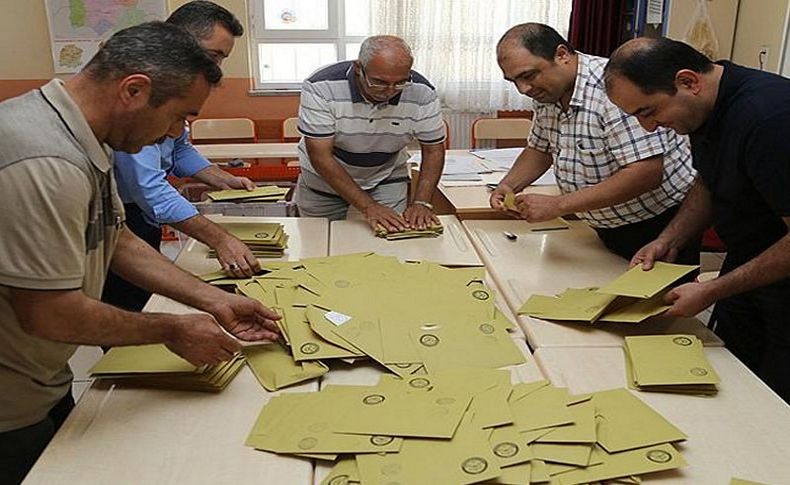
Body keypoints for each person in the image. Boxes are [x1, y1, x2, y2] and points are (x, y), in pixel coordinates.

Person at [0, 23, 281, 483]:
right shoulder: (45, 161)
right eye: (178, 117)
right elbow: (51, 314)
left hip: (39, 381)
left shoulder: (83, 136)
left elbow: (117, 239)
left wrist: (213, 300)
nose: (174, 134)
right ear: (134, 90)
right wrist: (171, 328)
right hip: (8, 406)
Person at [604, 37, 790, 402]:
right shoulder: (705, 107)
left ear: (688, 81)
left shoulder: (771, 119)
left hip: (781, 276)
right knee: (733, 378)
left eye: (648, 111)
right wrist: (669, 239)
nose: (648, 127)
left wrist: (710, 290)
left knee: (775, 401)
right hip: (751, 262)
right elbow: (709, 180)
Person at [489, 23, 698, 264]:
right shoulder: (548, 90)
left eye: (528, 76)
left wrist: (559, 205)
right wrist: (509, 185)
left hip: (658, 224)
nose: (523, 89)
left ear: (562, 55)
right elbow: (539, 149)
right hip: (606, 224)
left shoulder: (613, 86)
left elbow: (646, 172)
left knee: (665, 299)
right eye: (513, 80)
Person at [104, 1, 257, 314]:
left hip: (134, 219)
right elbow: (149, 189)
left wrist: (218, 176)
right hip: (126, 212)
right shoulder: (146, 92)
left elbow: (179, 148)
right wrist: (219, 239)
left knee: (146, 297)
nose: (216, 69)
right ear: (176, 40)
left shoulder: (174, 86)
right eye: (212, 56)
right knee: (128, 307)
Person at [295, 35, 446, 233]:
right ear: (359, 68)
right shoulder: (321, 87)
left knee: (392, 239)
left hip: (385, 175)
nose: (389, 91)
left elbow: (434, 151)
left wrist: (421, 202)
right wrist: (369, 207)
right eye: (379, 82)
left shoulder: (422, 92)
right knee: (320, 243)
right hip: (325, 179)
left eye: (400, 83)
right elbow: (320, 156)